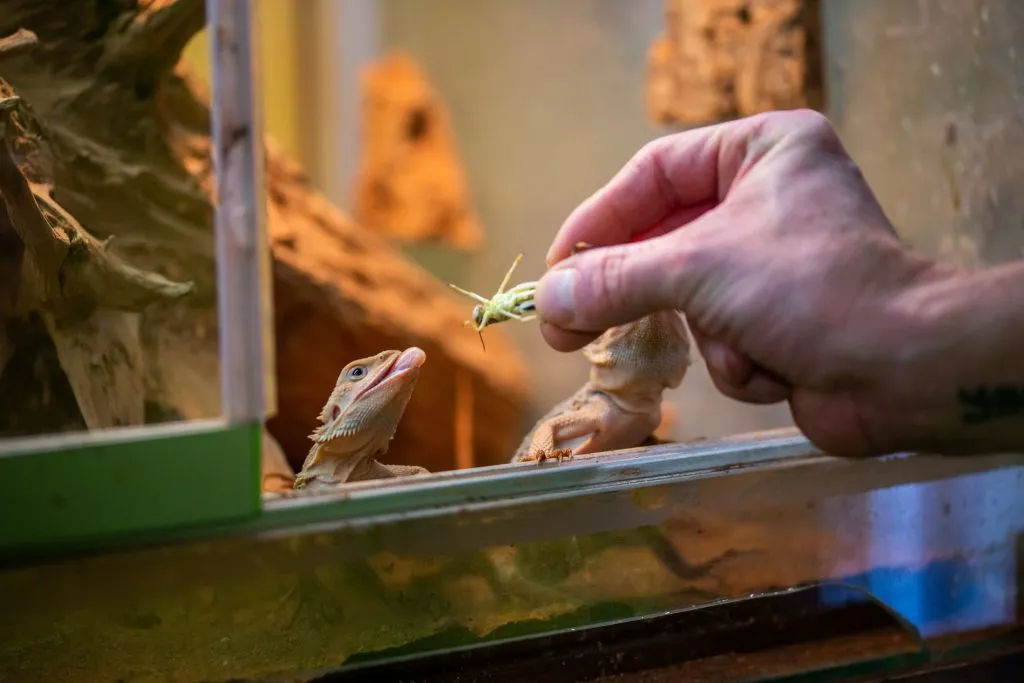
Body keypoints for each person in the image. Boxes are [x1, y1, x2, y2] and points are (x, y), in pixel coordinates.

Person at [532, 109, 1024, 458]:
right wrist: (541, 458)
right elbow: (549, 434)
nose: (649, 306)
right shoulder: (596, 407)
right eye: (625, 315)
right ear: (598, 349)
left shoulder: (643, 413)